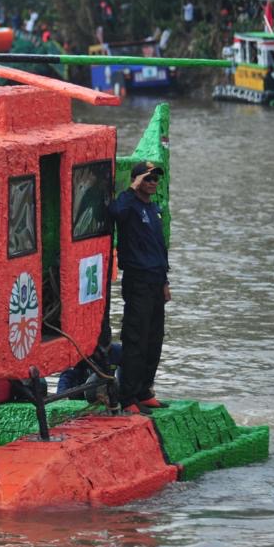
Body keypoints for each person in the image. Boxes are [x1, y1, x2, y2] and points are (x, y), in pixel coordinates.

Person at [107, 161, 169, 415]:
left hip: (156, 280)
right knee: (136, 339)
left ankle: (144, 390)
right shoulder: (128, 204)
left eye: (155, 178)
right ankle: (128, 396)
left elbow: (159, 247)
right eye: (147, 178)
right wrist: (132, 188)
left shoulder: (153, 209)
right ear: (137, 180)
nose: (153, 182)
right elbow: (114, 213)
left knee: (154, 338)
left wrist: (165, 282)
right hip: (137, 280)